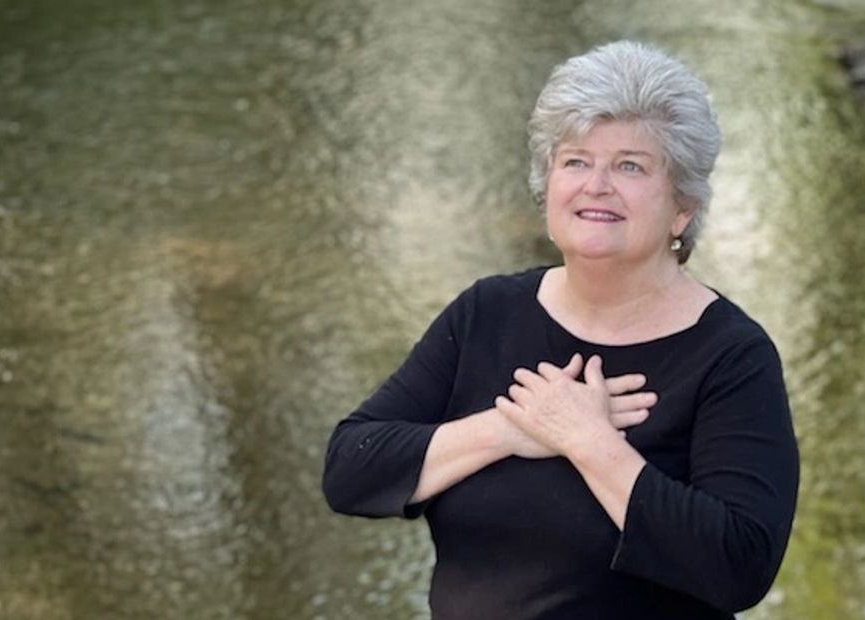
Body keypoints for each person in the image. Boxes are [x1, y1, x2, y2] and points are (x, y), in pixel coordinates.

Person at [322, 40, 798, 619]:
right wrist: (508, 429)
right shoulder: (486, 314)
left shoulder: (730, 355)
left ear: (683, 207)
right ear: (547, 185)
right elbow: (351, 470)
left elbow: (739, 567)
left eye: (630, 165)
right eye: (576, 160)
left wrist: (589, 441)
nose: (596, 184)